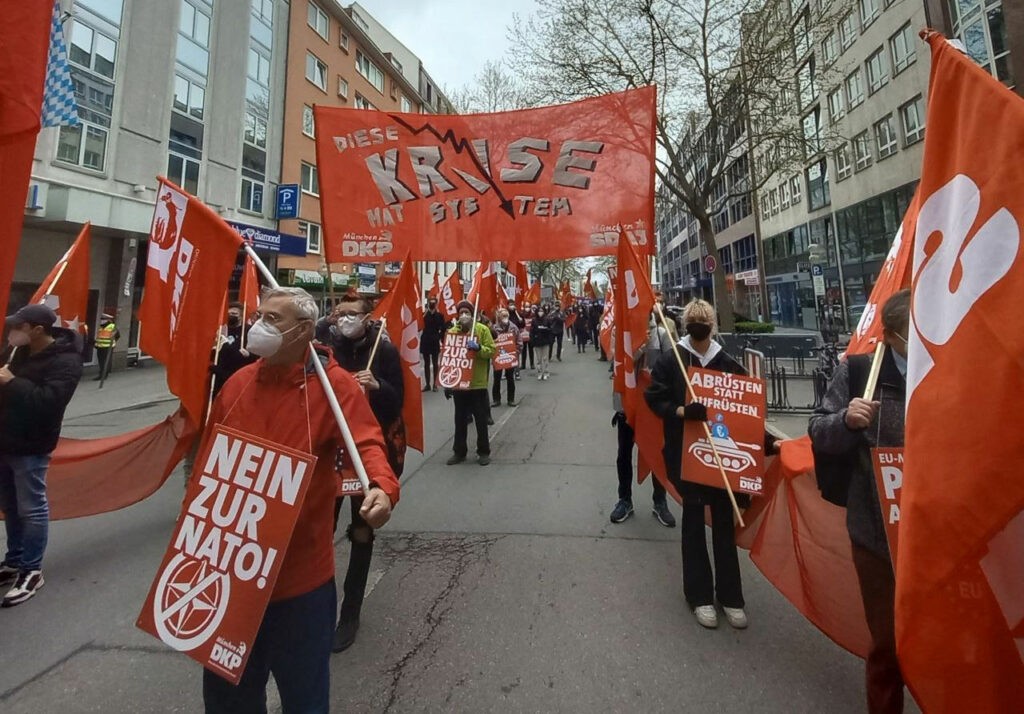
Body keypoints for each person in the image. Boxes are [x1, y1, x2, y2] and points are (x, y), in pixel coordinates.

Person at [199, 288, 399, 712]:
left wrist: (382, 487)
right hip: (230, 573)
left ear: (304, 330)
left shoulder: (336, 387)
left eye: (273, 319)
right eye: (259, 315)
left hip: (299, 581)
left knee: (303, 696)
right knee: (226, 696)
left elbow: (367, 444)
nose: (259, 325)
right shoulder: (237, 383)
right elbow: (208, 462)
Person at [644, 299, 777, 630]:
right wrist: (680, 411)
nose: (699, 326)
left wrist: (769, 442)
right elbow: (655, 398)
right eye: (695, 320)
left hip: (724, 464)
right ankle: (699, 595)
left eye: (704, 320)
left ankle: (731, 596)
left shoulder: (729, 364)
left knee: (723, 525)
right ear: (687, 324)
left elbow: (744, 413)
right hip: (688, 457)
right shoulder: (673, 359)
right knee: (692, 524)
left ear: (713, 325)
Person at [809, 289, 909, 714]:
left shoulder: (953, 370)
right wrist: (847, 422)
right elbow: (818, 429)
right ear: (894, 334)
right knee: (887, 644)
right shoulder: (860, 372)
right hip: (877, 535)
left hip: (942, 534)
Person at [327, 293, 405, 653]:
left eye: (351, 314)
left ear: (367, 317)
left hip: (365, 453)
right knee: (320, 530)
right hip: (330, 453)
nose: (344, 320)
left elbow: (396, 403)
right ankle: (319, 606)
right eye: (340, 314)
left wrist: (377, 387)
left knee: (361, 531)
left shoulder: (384, 351)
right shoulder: (326, 348)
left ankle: (350, 611)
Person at [0, 304, 83, 606]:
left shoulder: (65, 360)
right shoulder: (17, 353)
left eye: (18, 327)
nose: (12, 332)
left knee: (31, 507)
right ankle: (14, 560)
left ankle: (31, 570)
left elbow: (50, 402)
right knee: (10, 505)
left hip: (31, 445)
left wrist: (12, 382)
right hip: (5, 441)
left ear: (37, 330)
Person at [610, 311, 678, 528]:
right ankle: (624, 499)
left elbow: (673, 365)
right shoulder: (620, 334)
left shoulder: (661, 333)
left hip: (654, 405)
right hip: (627, 406)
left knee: (658, 451)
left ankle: (660, 501)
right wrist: (638, 349)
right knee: (624, 453)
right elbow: (616, 363)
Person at [445, 301, 495, 466]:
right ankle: (459, 452)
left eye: (467, 312)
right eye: (461, 312)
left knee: (480, 419)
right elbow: (448, 359)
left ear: (472, 314)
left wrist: (479, 348)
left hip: (477, 384)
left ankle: (483, 451)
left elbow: (491, 351)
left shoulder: (483, 330)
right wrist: (447, 383)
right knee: (460, 420)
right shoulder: (452, 332)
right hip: (460, 384)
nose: (464, 315)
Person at [210, 302, 258, 398]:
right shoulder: (222, 329)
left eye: (234, 314)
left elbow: (257, 354)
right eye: (229, 314)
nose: (231, 316)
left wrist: (249, 354)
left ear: (241, 316)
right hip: (220, 375)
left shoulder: (249, 331)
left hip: (238, 375)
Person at [490, 308, 519, 407]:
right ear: (499, 317)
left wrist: (516, 352)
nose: (505, 318)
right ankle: (496, 400)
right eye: (503, 316)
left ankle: (511, 399)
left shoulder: (513, 328)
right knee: (496, 379)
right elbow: (490, 343)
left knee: (510, 378)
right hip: (498, 359)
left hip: (510, 358)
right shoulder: (493, 329)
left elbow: (519, 341)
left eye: (506, 316)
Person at [420, 296, 446, 392]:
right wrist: (425, 314)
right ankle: (427, 384)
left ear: (436, 304)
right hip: (425, 340)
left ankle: (435, 384)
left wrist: (439, 338)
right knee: (426, 363)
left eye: (433, 302)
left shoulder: (439, 315)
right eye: (430, 302)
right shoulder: (423, 315)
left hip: (434, 340)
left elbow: (443, 328)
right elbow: (419, 325)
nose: (431, 304)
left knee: (435, 363)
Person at [93, 312, 119, 381]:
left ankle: (104, 375)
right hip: (100, 347)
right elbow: (100, 337)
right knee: (101, 362)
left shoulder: (112, 327)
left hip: (107, 347)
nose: (102, 320)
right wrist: (96, 344)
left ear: (108, 320)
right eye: (102, 319)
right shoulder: (101, 327)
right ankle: (102, 374)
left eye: (103, 319)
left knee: (105, 362)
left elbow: (117, 336)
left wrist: (112, 342)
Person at [531, 305, 554, 380]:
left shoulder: (547, 319)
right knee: (538, 359)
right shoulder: (534, 320)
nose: (540, 313)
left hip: (545, 341)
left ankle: (546, 372)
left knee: (545, 358)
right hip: (537, 341)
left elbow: (551, 329)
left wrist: (546, 329)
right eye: (539, 311)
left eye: (541, 311)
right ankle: (540, 372)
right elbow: (532, 331)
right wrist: (532, 340)